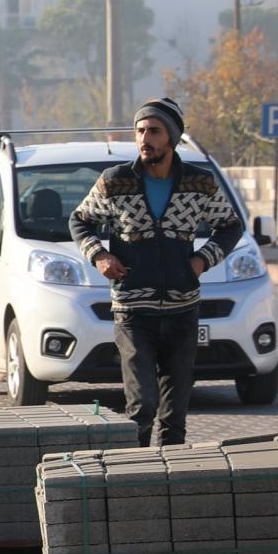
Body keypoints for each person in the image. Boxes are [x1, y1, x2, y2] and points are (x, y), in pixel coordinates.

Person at [68, 97, 243, 447]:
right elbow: (80, 220)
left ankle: (169, 486)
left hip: (183, 311)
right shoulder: (115, 181)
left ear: (172, 137)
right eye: (140, 131)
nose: (144, 138)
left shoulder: (200, 183)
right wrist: (99, 255)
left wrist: (201, 261)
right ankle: (134, 480)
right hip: (133, 312)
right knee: (142, 405)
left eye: (154, 131)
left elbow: (230, 225)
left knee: (174, 416)